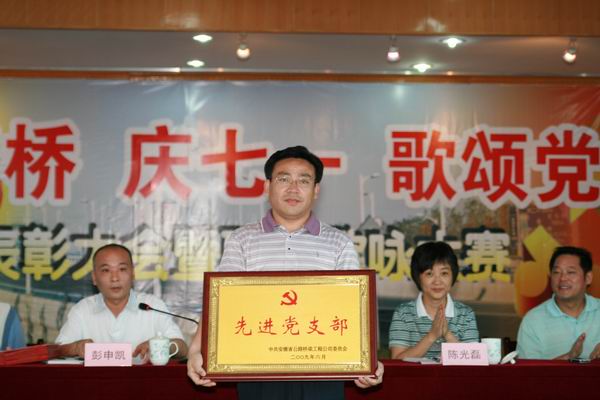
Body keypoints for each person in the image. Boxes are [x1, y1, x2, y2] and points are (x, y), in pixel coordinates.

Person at [187, 145, 384, 399]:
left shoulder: (338, 243)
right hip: (258, 369)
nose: (293, 188)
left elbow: (355, 310)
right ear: (268, 186)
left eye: (304, 180)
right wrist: (196, 349)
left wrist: (367, 361)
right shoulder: (242, 239)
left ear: (316, 190)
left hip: (322, 370)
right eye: (283, 179)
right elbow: (220, 301)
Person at [55, 243, 187, 361]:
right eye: (106, 270)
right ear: (94, 278)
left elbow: (182, 348)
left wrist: (161, 346)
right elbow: (56, 350)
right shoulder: (82, 309)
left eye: (122, 269)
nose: (115, 278)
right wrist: (75, 348)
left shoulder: (152, 305)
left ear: (133, 274)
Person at [389, 241, 479, 360]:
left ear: (453, 276)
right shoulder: (403, 314)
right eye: (429, 274)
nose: (437, 281)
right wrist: (431, 336)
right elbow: (397, 360)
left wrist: (447, 334)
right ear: (418, 277)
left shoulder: (466, 314)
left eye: (444, 273)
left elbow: (475, 360)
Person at [517, 246, 600, 360]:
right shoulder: (533, 320)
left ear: (588, 278)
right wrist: (567, 358)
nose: (562, 278)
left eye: (570, 272)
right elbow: (528, 370)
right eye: (556, 272)